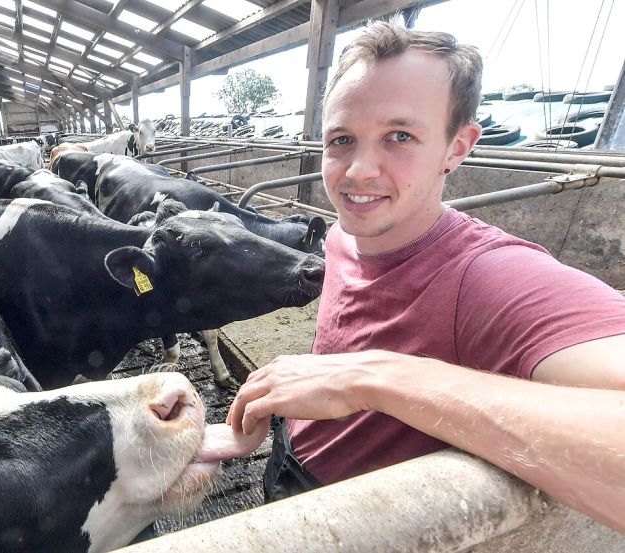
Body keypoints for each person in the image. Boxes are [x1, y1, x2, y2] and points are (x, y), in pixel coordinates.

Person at [226, 21, 625, 532]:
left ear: (457, 148)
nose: (358, 171)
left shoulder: (490, 274)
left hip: (368, 520)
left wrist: (376, 376)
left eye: (400, 136)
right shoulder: (341, 239)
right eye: (342, 139)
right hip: (287, 461)